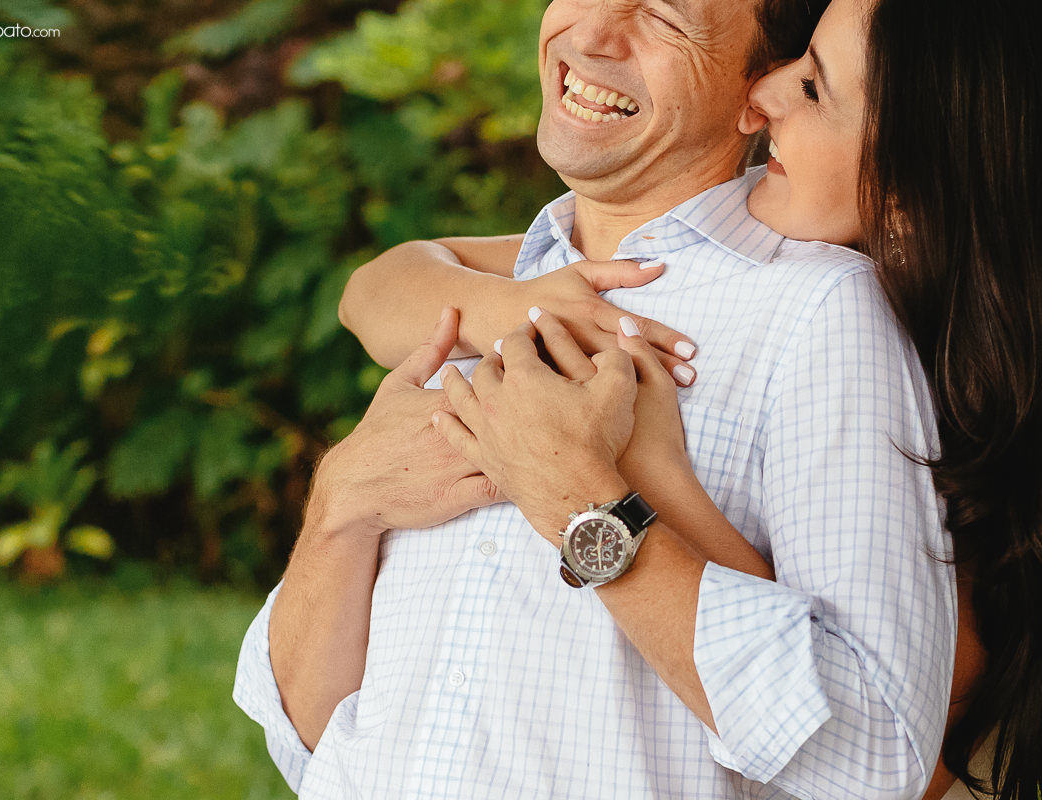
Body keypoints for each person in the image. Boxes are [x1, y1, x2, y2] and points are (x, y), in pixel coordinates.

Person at [234, 0, 960, 797]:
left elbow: (878, 758)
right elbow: (310, 744)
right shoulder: (495, 292)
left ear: (757, 89)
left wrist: (588, 503)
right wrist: (340, 507)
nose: (590, 35)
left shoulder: (819, 313)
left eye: (666, 16)